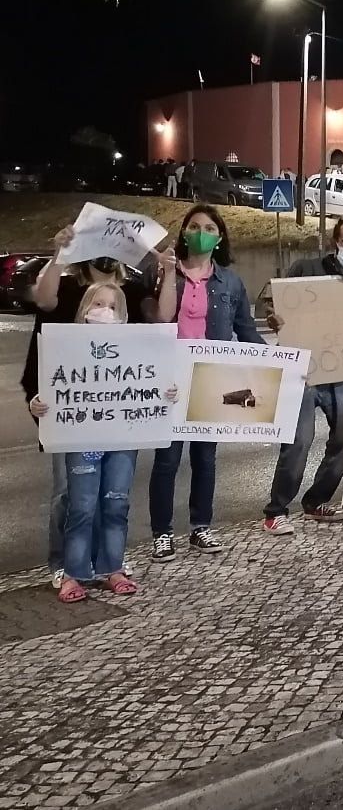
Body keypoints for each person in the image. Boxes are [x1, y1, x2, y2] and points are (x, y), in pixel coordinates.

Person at [24, 231, 172, 588]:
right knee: (70, 492)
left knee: (113, 494)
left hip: (117, 417)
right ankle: (65, 563)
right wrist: (60, 250)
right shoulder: (67, 285)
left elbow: (161, 324)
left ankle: (108, 562)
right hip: (67, 408)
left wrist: (168, 272)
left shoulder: (132, 292)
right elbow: (44, 300)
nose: (105, 312)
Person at [148, 204, 265, 562]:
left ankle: (201, 527)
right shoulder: (165, 272)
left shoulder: (229, 282)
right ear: (183, 232)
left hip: (212, 379)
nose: (201, 232)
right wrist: (168, 274)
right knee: (167, 461)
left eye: (210, 228)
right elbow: (160, 319)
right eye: (194, 226)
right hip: (171, 379)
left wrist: (280, 366)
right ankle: (162, 534)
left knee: (205, 458)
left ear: (220, 237)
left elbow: (246, 331)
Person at [263, 217, 343, 532]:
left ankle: (316, 500)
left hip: (342, 375)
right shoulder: (305, 269)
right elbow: (269, 304)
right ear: (336, 242)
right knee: (299, 440)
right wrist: (273, 317)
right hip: (303, 373)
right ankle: (276, 510)